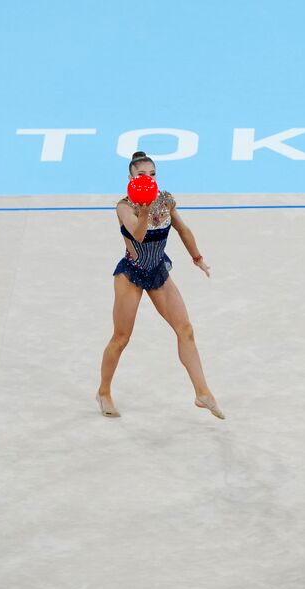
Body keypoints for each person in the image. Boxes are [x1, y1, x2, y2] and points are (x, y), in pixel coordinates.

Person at [97, 151, 223, 419]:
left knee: (185, 329)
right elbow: (139, 236)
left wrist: (197, 258)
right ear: (130, 177)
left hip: (157, 271)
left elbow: (183, 229)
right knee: (121, 338)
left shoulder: (165, 200)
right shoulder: (124, 206)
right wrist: (143, 212)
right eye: (142, 175)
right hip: (130, 275)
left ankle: (202, 392)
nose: (148, 179)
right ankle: (104, 391)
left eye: (152, 174)